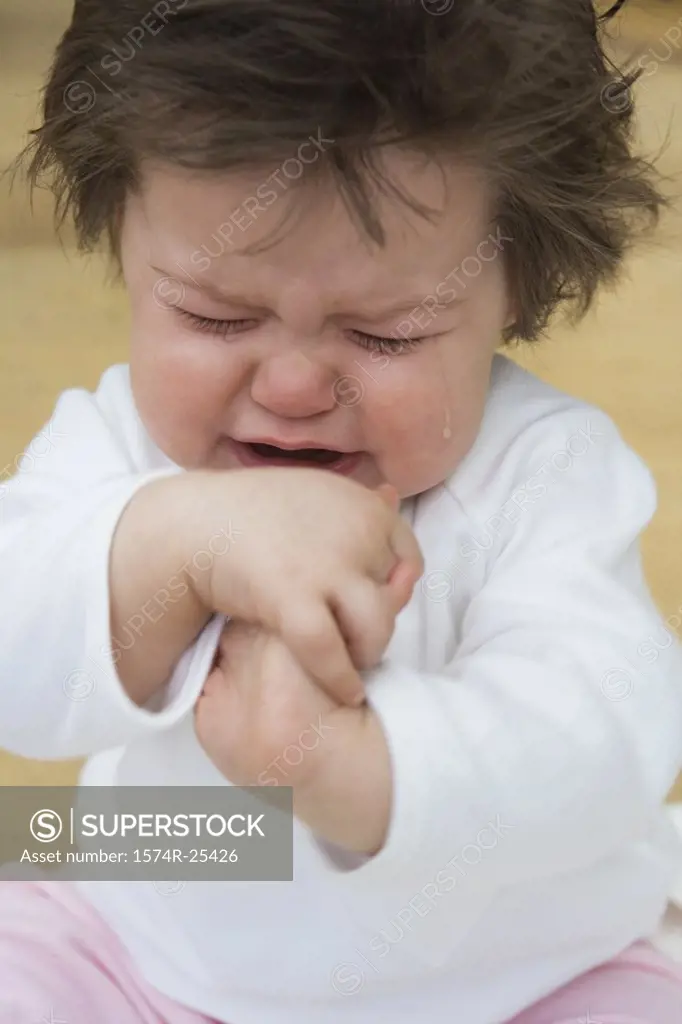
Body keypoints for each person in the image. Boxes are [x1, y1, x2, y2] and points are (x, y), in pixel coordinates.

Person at [1, 0, 682, 1021]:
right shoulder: (115, 442)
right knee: (36, 863)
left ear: (516, 283)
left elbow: (611, 733)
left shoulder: (544, 470)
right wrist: (185, 545)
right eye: (213, 314)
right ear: (121, 244)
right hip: (151, 910)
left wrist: (343, 764)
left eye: (388, 335)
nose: (289, 387)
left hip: (517, 959)